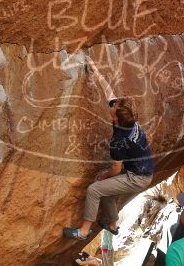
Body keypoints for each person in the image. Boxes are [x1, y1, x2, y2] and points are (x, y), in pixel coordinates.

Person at [63, 101, 154, 240]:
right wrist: (99, 78)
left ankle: (83, 232)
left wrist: (104, 176)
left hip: (137, 178)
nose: (113, 107)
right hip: (143, 171)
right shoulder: (131, 124)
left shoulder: (119, 142)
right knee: (106, 192)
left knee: (94, 189)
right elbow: (113, 100)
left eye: (115, 108)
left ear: (117, 119)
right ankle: (113, 226)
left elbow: (116, 169)